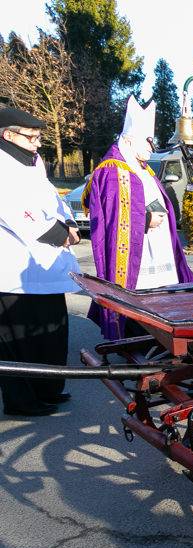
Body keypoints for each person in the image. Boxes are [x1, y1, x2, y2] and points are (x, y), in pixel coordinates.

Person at [85, 97, 193, 340]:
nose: (151, 146)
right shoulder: (114, 171)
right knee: (140, 306)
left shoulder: (143, 168)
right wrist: (145, 221)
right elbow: (112, 220)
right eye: (147, 141)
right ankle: (135, 340)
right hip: (137, 256)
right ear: (129, 139)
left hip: (158, 249)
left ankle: (162, 339)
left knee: (164, 303)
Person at [0, 108, 81, 417]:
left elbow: (54, 198)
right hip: (12, 270)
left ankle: (48, 388)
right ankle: (21, 400)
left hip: (44, 267)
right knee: (16, 339)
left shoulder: (34, 162)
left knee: (50, 333)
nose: (36, 143)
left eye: (38, 137)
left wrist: (70, 222)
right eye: (30, 137)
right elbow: (12, 209)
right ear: (8, 135)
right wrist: (58, 234)